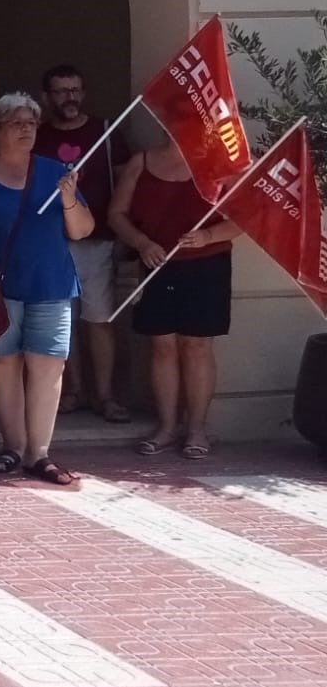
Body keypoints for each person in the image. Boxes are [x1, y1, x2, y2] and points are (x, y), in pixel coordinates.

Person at [0, 92, 95, 485]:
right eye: (17, 123)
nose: (27, 129)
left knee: (48, 365)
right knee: (4, 363)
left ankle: (39, 453)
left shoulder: (55, 172)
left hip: (50, 283)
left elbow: (82, 230)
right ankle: (13, 445)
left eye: (32, 123)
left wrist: (68, 199)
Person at [111, 135, 239, 461]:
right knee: (162, 345)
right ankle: (167, 427)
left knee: (197, 345)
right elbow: (116, 214)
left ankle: (197, 429)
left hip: (207, 264)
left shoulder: (221, 164)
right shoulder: (142, 161)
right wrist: (141, 243)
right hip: (157, 263)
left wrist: (208, 235)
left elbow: (245, 219)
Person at [36, 63, 128, 423]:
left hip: (98, 240)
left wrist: (122, 232)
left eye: (75, 90)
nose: (69, 97)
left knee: (100, 319)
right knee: (64, 319)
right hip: (51, 241)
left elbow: (123, 184)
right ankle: (71, 391)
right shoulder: (38, 136)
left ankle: (104, 396)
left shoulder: (106, 132)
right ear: (47, 97)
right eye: (61, 91)